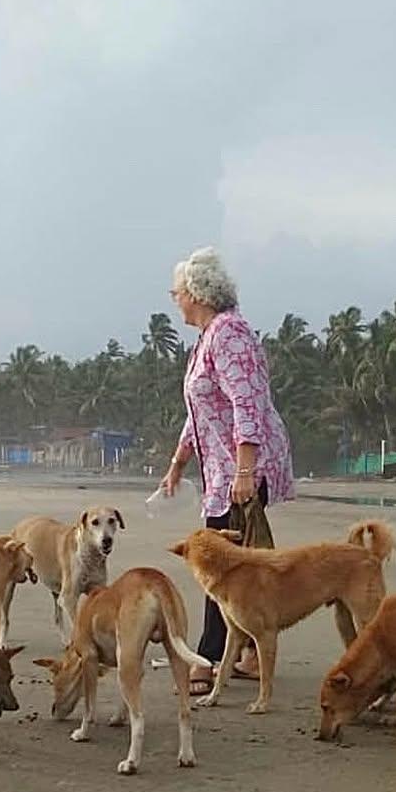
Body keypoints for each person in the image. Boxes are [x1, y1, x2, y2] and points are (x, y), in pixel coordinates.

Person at [159, 247, 294, 694]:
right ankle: (246, 652)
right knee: (230, 561)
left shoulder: (230, 333)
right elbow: (198, 409)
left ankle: (211, 656)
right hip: (221, 468)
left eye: (176, 291)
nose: (173, 298)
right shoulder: (207, 338)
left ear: (195, 293)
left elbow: (246, 401)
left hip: (242, 465)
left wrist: (245, 469)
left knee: (218, 562)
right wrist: (178, 463)